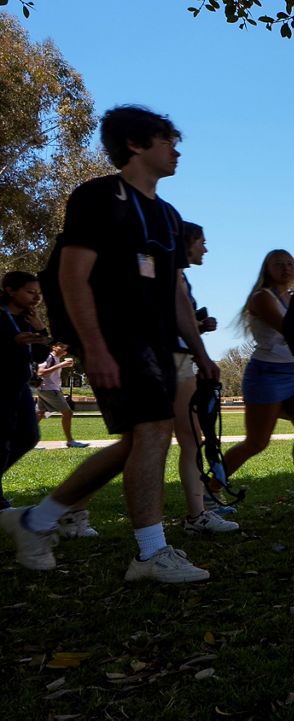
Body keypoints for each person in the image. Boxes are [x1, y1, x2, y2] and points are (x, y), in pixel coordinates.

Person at [0, 105, 218, 582]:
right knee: (155, 431)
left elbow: (176, 291)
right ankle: (149, 554)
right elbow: (72, 275)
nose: (176, 150)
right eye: (166, 140)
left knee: (138, 443)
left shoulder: (170, 216)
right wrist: (93, 347)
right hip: (116, 337)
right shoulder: (98, 197)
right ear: (136, 145)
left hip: (158, 343)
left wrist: (199, 353)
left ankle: (35, 522)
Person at [222, 249, 294, 508]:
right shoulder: (262, 298)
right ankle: (210, 489)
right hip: (267, 375)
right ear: (267, 268)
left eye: (290, 263)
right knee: (257, 442)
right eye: (279, 263)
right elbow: (291, 329)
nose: (286, 268)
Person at [170, 222, 239, 534]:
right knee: (187, 440)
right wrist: (201, 353)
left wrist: (198, 327)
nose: (205, 249)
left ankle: (201, 507)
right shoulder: (172, 276)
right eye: (202, 242)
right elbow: (171, 324)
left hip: (179, 359)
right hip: (173, 361)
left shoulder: (178, 276)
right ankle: (198, 513)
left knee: (191, 439)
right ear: (187, 242)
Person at [1, 272, 47, 512]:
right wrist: (14, 341)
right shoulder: (2, 315)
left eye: (38, 293)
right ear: (10, 290)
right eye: (30, 292)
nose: (36, 297)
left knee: (28, 436)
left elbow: (40, 356)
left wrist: (40, 330)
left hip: (20, 387)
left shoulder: (29, 319)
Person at [35, 342, 90, 448]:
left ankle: (24, 440)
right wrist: (62, 365)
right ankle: (70, 441)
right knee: (67, 413)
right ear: (54, 347)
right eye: (62, 346)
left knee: (39, 414)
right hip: (49, 390)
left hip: (46, 389)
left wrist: (62, 365)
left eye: (66, 346)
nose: (65, 348)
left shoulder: (55, 359)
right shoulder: (48, 357)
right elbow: (40, 373)